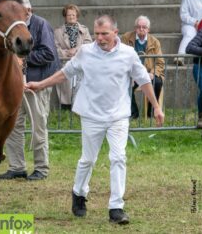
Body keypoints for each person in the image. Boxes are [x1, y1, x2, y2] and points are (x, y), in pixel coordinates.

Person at [25, 15, 164, 224]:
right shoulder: (86, 52)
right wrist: (40, 84)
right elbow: (64, 73)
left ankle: (116, 207)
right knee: (87, 160)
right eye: (97, 34)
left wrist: (156, 107)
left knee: (118, 158)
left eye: (104, 34)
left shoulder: (128, 54)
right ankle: (79, 193)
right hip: (91, 115)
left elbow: (144, 80)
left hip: (118, 116)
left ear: (115, 33)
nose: (99, 38)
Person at [0, 0, 60, 181]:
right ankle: (17, 167)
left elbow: (49, 54)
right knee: (12, 126)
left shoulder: (41, 25)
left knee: (38, 126)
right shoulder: (11, 27)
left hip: (37, 85)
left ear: (29, 11)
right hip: (16, 86)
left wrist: (23, 58)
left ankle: (41, 167)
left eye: (21, 13)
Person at [121, 15, 165, 119]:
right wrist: (131, 73)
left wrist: (153, 73)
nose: (141, 29)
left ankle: (151, 112)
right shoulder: (126, 38)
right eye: (138, 26)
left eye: (144, 27)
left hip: (149, 72)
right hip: (132, 72)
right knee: (125, 83)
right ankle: (134, 112)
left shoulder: (155, 41)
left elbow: (160, 62)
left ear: (148, 29)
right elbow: (121, 57)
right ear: (135, 28)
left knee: (157, 82)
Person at [54, 4, 92, 109]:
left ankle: (79, 109)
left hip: (81, 64)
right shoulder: (58, 31)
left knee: (80, 88)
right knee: (66, 91)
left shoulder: (84, 30)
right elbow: (55, 48)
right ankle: (66, 111)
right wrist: (67, 53)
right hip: (65, 64)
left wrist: (77, 50)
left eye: (73, 15)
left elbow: (89, 45)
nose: (71, 17)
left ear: (77, 16)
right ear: (65, 16)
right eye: (69, 15)